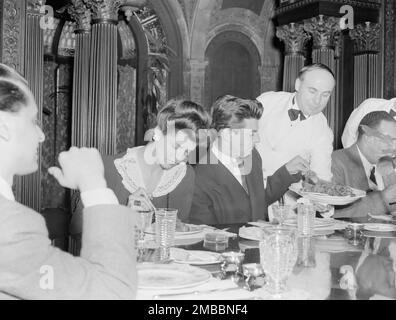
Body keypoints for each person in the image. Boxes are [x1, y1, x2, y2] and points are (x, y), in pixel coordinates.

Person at [0, 64, 137, 299]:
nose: (41, 135)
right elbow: (113, 291)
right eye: (33, 121)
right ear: (4, 128)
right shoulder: (10, 225)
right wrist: (94, 183)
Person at [70, 99, 211, 240]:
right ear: (158, 133)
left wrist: (180, 228)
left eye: (187, 152)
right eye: (176, 146)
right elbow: (77, 235)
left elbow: (179, 242)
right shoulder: (105, 169)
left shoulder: (184, 177)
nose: (180, 157)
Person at [188, 95, 308, 225]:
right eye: (252, 133)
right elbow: (206, 235)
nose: (257, 139)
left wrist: (287, 172)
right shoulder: (198, 176)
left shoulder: (252, 156)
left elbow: (256, 202)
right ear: (227, 134)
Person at [256, 63, 335, 181]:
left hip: (286, 195)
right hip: (247, 187)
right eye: (312, 91)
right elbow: (235, 140)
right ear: (298, 84)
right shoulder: (266, 102)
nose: (317, 101)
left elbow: (321, 176)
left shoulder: (323, 131)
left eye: (325, 95)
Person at [332, 111, 396, 219]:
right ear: (367, 138)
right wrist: (382, 199)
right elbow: (332, 214)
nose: (394, 147)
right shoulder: (335, 162)